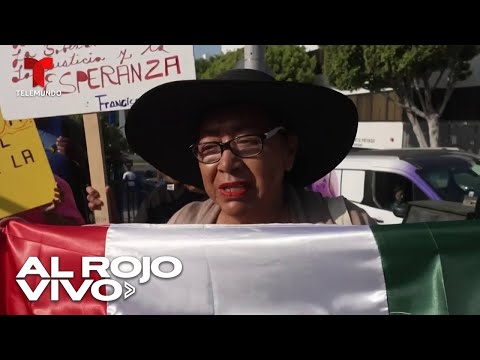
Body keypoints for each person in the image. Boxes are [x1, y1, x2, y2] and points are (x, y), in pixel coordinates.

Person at [90, 68, 375, 225]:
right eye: (210, 147)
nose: (227, 164)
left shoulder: (346, 225)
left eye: (249, 141)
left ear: (288, 151)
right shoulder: (184, 227)